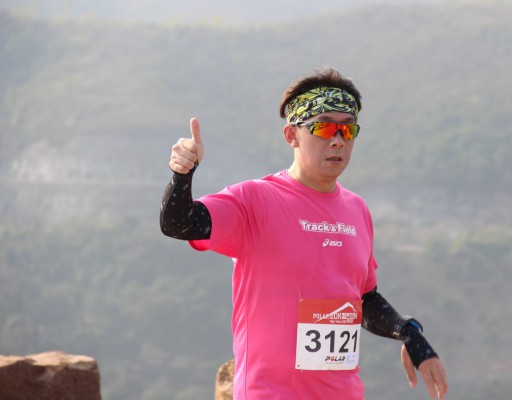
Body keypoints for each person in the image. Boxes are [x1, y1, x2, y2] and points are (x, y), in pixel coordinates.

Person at [160, 67, 448, 400]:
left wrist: (407, 330)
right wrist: (182, 174)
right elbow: (178, 224)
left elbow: (363, 298)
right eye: (323, 127)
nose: (338, 140)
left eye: (347, 129)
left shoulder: (357, 210)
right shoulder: (256, 200)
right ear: (292, 135)